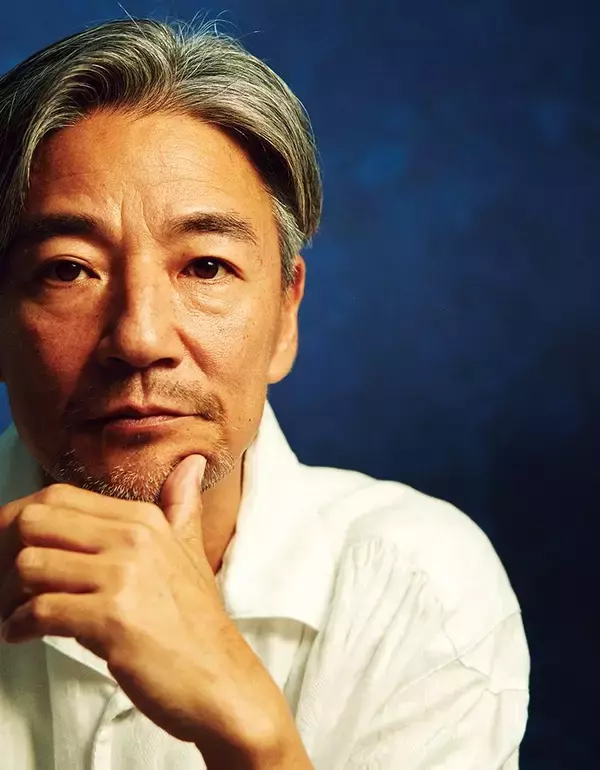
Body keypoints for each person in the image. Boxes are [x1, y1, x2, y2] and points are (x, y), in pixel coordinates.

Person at [0, 17, 530, 770]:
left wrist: (250, 731)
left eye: (206, 266)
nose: (140, 337)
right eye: (68, 269)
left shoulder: (419, 584)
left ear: (286, 315)